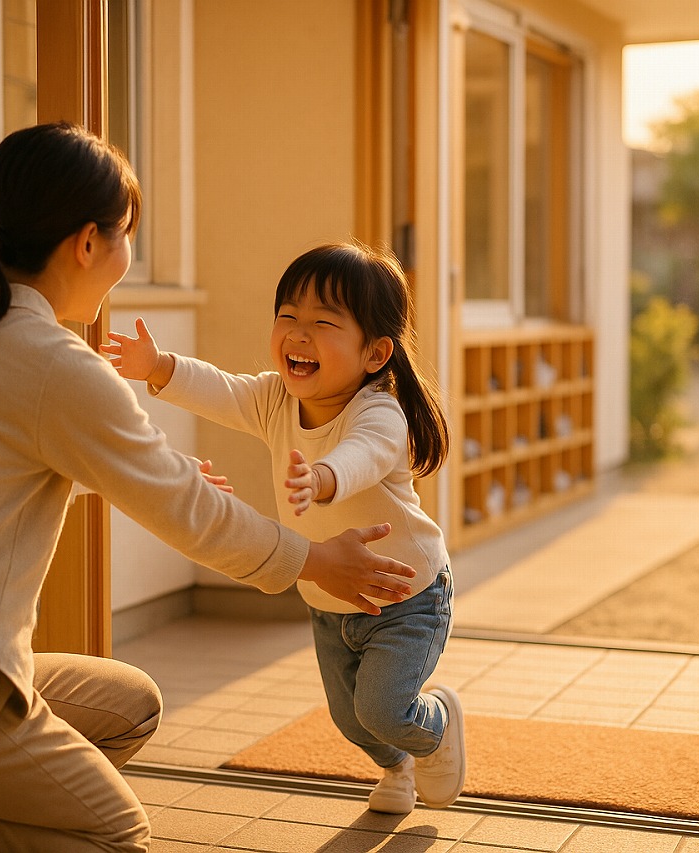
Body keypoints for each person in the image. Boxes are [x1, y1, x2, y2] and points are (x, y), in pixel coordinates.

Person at [0, 123, 417, 853]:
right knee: (114, 833)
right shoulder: (56, 365)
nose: (128, 257)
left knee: (128, 706)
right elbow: (190, 517)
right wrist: (316, 559)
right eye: (127, 237)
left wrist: (154, 479)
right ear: (88, 243)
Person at [102, 242, 466, 815]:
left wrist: (322, 478)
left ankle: (436, 728)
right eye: (287, 316)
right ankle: (397, 768)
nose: (297, 334)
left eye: (323, 323)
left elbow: (364, 455)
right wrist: (157, 368)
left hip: (408, 593)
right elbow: (218, 388)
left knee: (383, 709)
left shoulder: (379, 410)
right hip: (328, 598)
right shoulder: (274, 400)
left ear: (375, 353)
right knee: (350, 718)